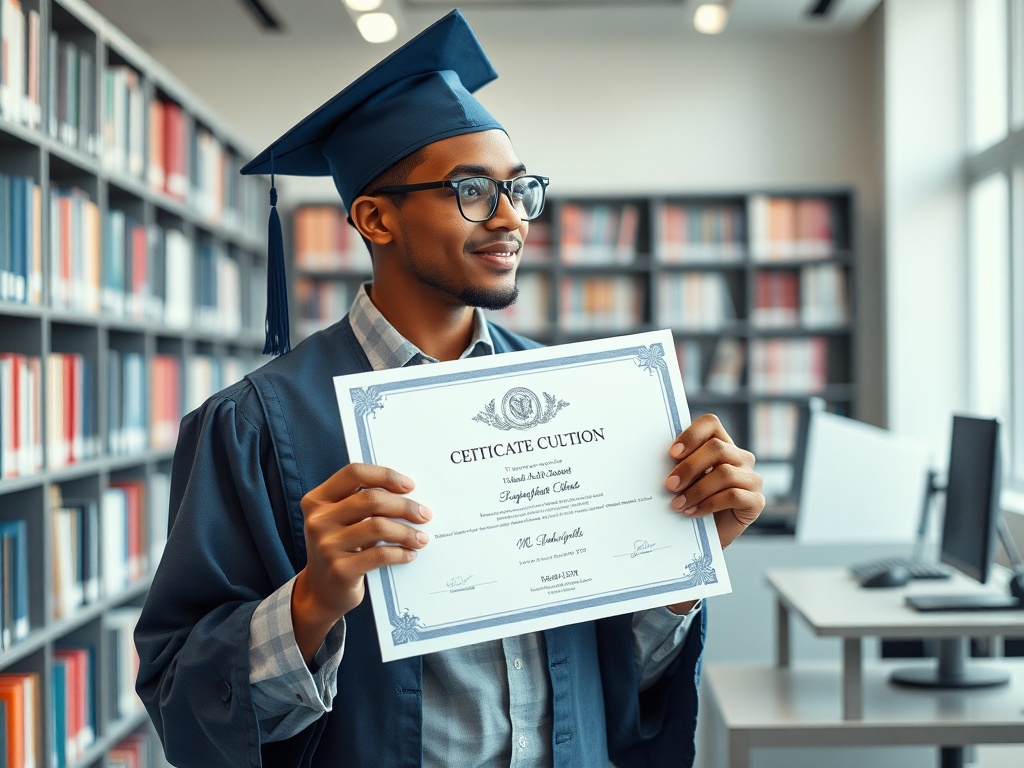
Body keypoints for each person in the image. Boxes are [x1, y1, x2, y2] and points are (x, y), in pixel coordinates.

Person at [134, 9, 765, 768]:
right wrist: (310, 603)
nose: (510, 219)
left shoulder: (585, 397)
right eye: (471, 190)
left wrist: (681, 563)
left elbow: (624, 678)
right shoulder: (257, 425)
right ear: (375, 217)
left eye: (518, 188)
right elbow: (181, 700)